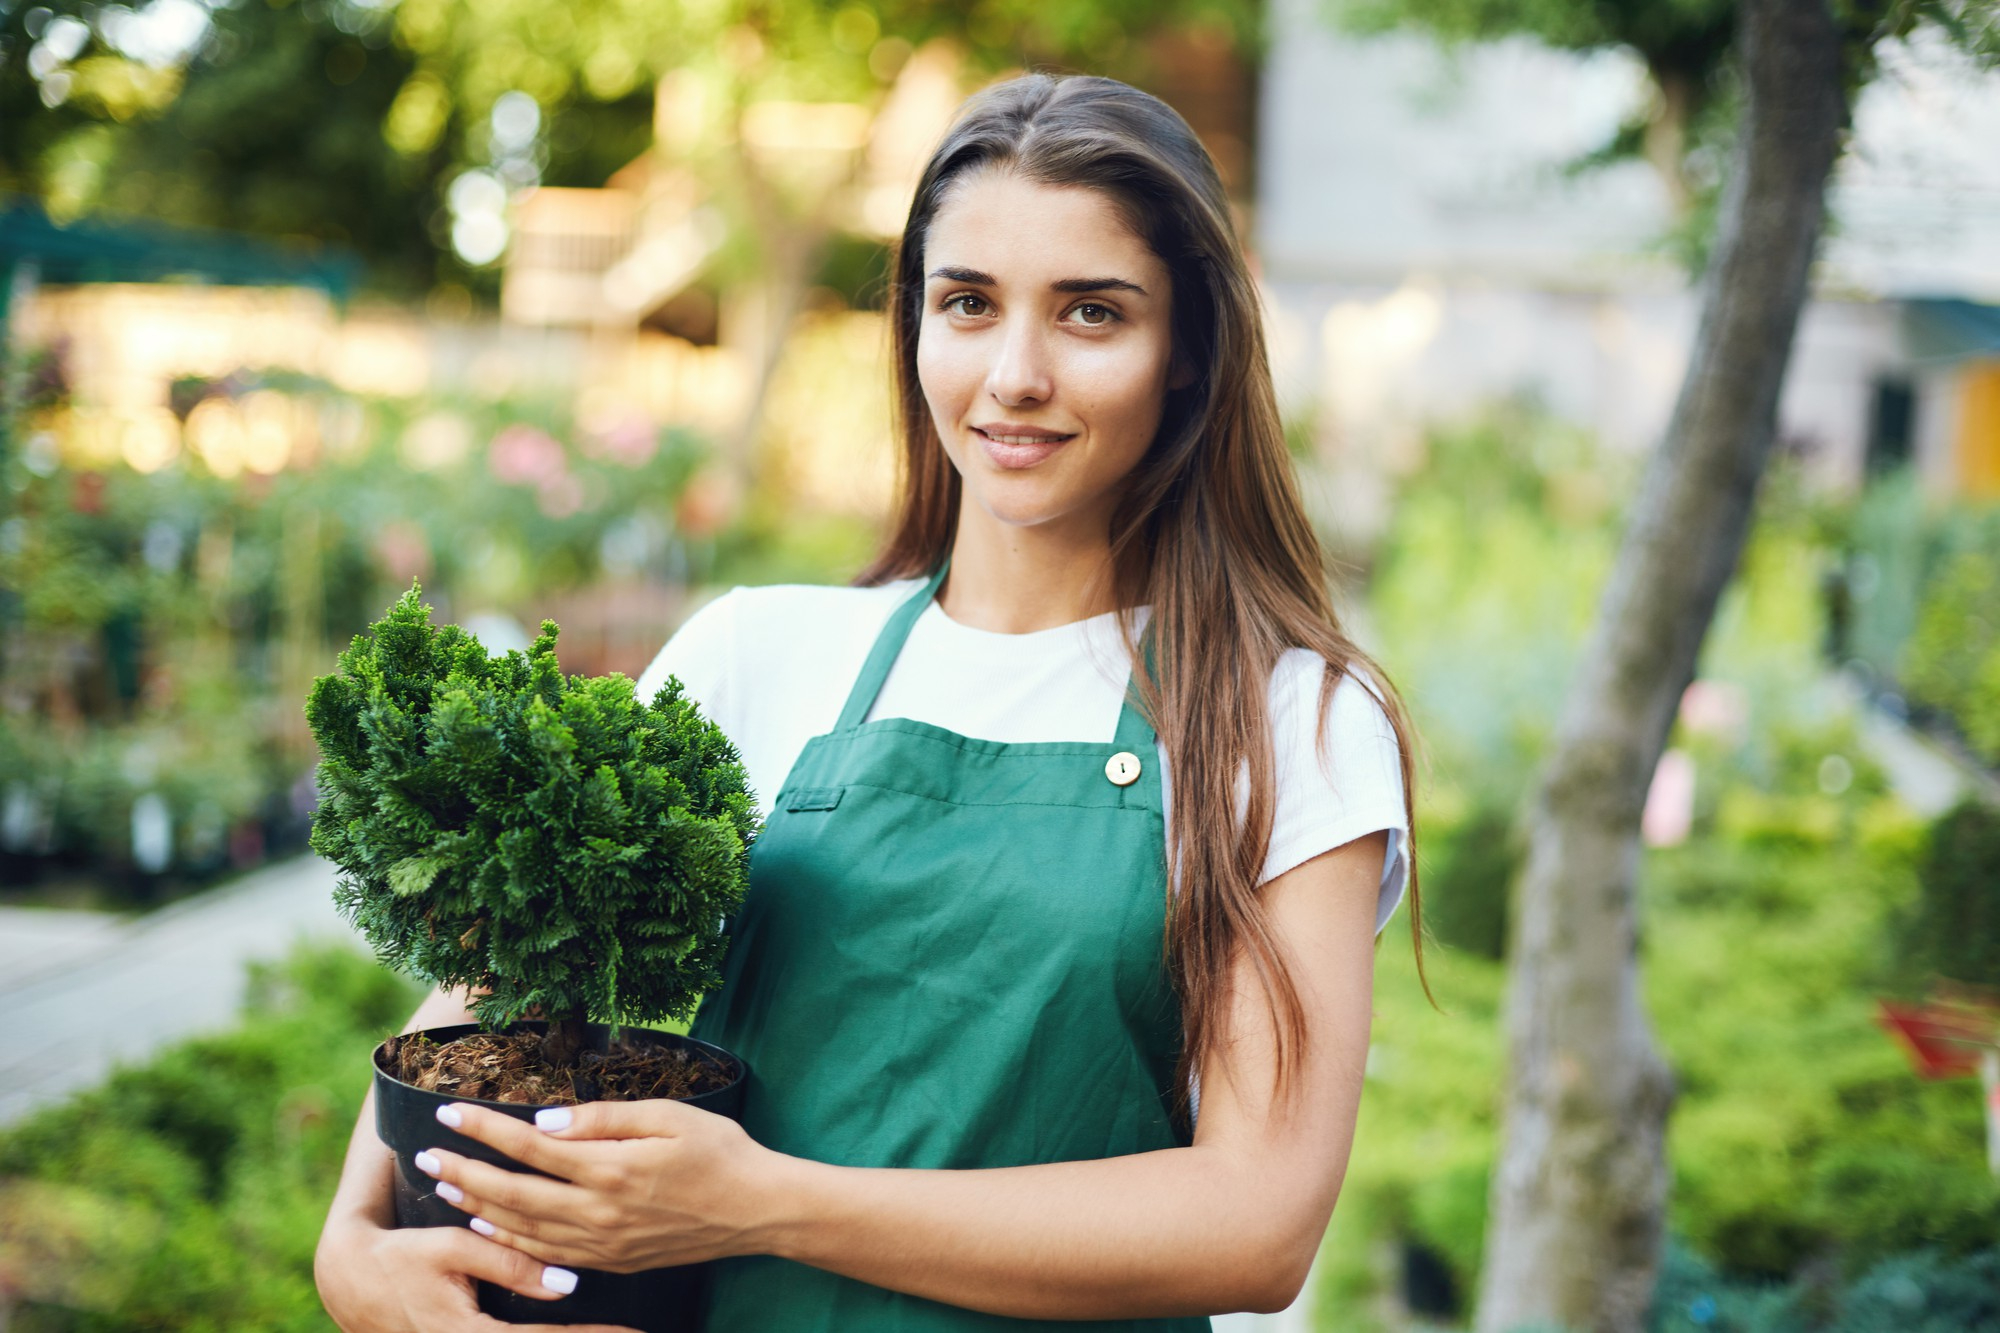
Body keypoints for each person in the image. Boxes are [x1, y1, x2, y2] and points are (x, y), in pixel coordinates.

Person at [313, 70, 1428, 1332]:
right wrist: (352, 1249)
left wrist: (764, 1202)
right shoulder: (754, 654)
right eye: (967, 303)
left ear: (1185, 355)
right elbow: (493, 980)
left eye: (1090, 314)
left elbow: (1254, 1222)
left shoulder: (1285, 721)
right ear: (913, 327)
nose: (1014, 373)